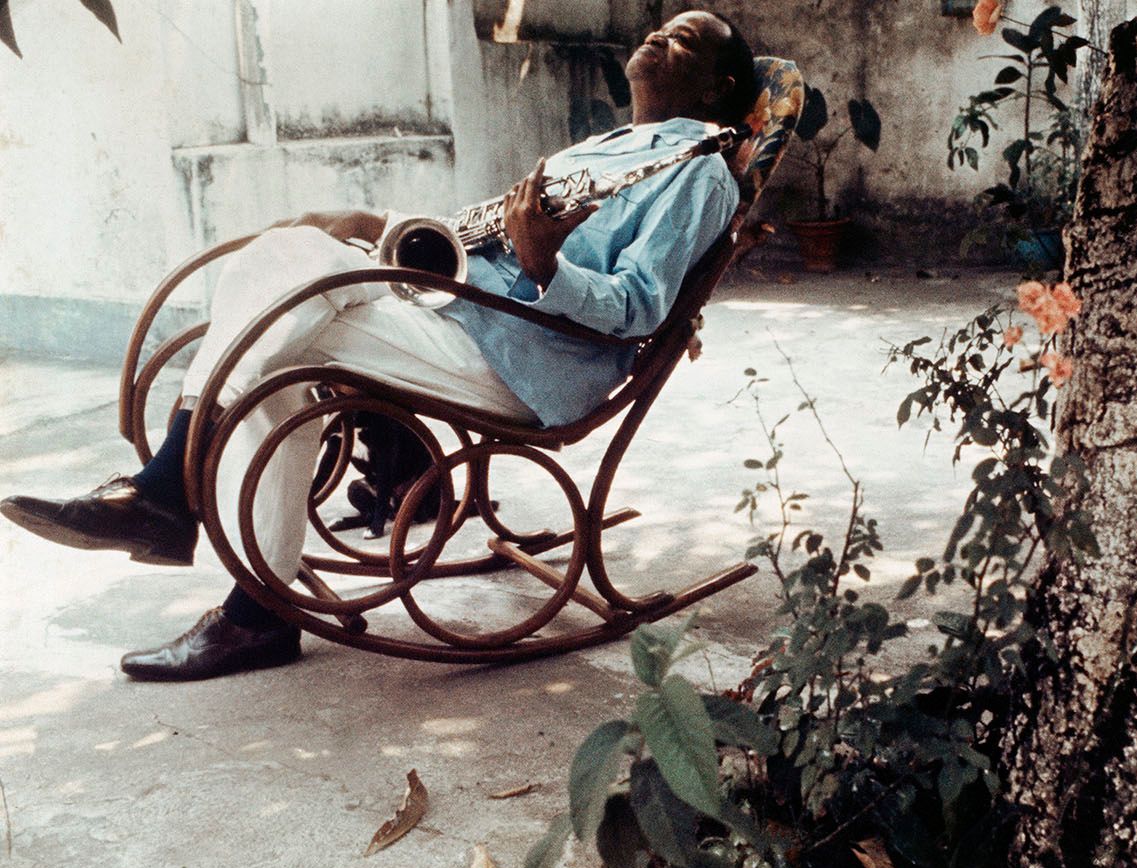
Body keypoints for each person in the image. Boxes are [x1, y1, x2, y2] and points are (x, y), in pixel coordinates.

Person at [1, 10, 757, 681]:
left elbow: (637, 306)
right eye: (665, 25)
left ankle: (166, 493)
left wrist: (544, 266)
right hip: (469, 316)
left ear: (717, 86)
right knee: (287, 312)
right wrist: (375, 222)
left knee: (288, 288)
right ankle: (254, 610)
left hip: (528, 361)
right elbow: (479, 232)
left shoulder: (697, 173)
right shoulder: (610, 145)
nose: (660, 32)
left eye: (686, 37)